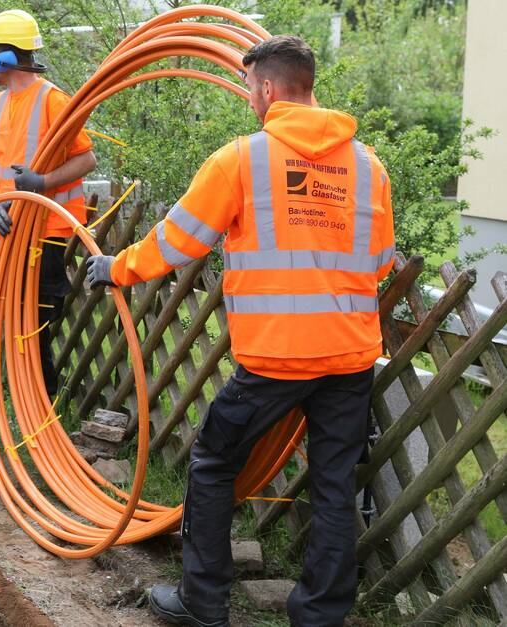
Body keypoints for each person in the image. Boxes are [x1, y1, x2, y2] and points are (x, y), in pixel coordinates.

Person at [86, 35, 395, 627]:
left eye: (251, 86)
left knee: (213, 461)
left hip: (276, 360)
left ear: (269, 88)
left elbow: (178, 239)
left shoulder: (244, 159)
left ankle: (203, 603)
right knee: (332, 485)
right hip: (352, 358)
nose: (250, 96)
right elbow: (379, 259)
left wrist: (116, 268)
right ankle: (322, 617)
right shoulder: (367, 166)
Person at [0, 9, 97, 455]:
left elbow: (87, 160)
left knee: (31, 331)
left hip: (41, 235)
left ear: (5, 58)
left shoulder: (53, 101)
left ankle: (41, 425)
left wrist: (42, 183)